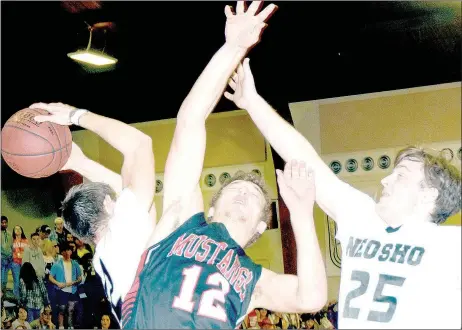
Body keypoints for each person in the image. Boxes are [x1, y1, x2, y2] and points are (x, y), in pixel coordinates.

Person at [121, 2, 327, 328]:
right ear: (211, 208)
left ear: (261, 227)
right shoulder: (181, 220)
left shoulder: (255, 280)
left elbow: (311, 298)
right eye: (236, 188)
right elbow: (190, 120)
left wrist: (302, 215)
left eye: (254, 196)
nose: (245, 193)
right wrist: (233, 48)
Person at [224, 58, 462, 328]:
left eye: (401, 176)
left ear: (428, 195)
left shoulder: (451, 245)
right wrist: (252, 102)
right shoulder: (363, 217)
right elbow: (305, 159)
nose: (385, 180)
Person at [31, 99, 157, 325]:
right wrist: (75, 115)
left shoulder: (105, 255)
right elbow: (140, 144)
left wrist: (81, 163)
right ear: (110, 204)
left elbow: (127, 190)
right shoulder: (122, 234)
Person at [48, 243, 82, 329]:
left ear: (71, 252)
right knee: (61, 310)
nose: (67, 252)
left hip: (73, 290)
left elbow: (80, 278)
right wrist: (58, 283)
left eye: (69, 250)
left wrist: (75, 282)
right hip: (62, 291)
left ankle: (70, 326)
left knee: (71, 310)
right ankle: (61, 326)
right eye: (65, 251)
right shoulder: (57, 264)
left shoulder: (75, 264)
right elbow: (50, 277)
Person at [12, 226, 29, 297]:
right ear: (14, 231)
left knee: (24, 281)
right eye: (16, 229)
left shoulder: (26, 240)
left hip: (24, 263)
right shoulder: (12, 240)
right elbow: (15, 254)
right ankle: (16, 299)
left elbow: (27, 252)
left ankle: (24, 298)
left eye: (19, 229)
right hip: (15, 263)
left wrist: (21, 254)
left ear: (22, 231)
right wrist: (20, 254)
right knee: (17, 281)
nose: (18, 230)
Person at [1, 216, 13, 293]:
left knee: (5, 278)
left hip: (8, 258)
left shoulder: (9, 233)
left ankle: (3, 294)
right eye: (2, 222)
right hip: (1, 258)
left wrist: (11, 254)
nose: (4, 224)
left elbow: (11, 246)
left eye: (5, 222)